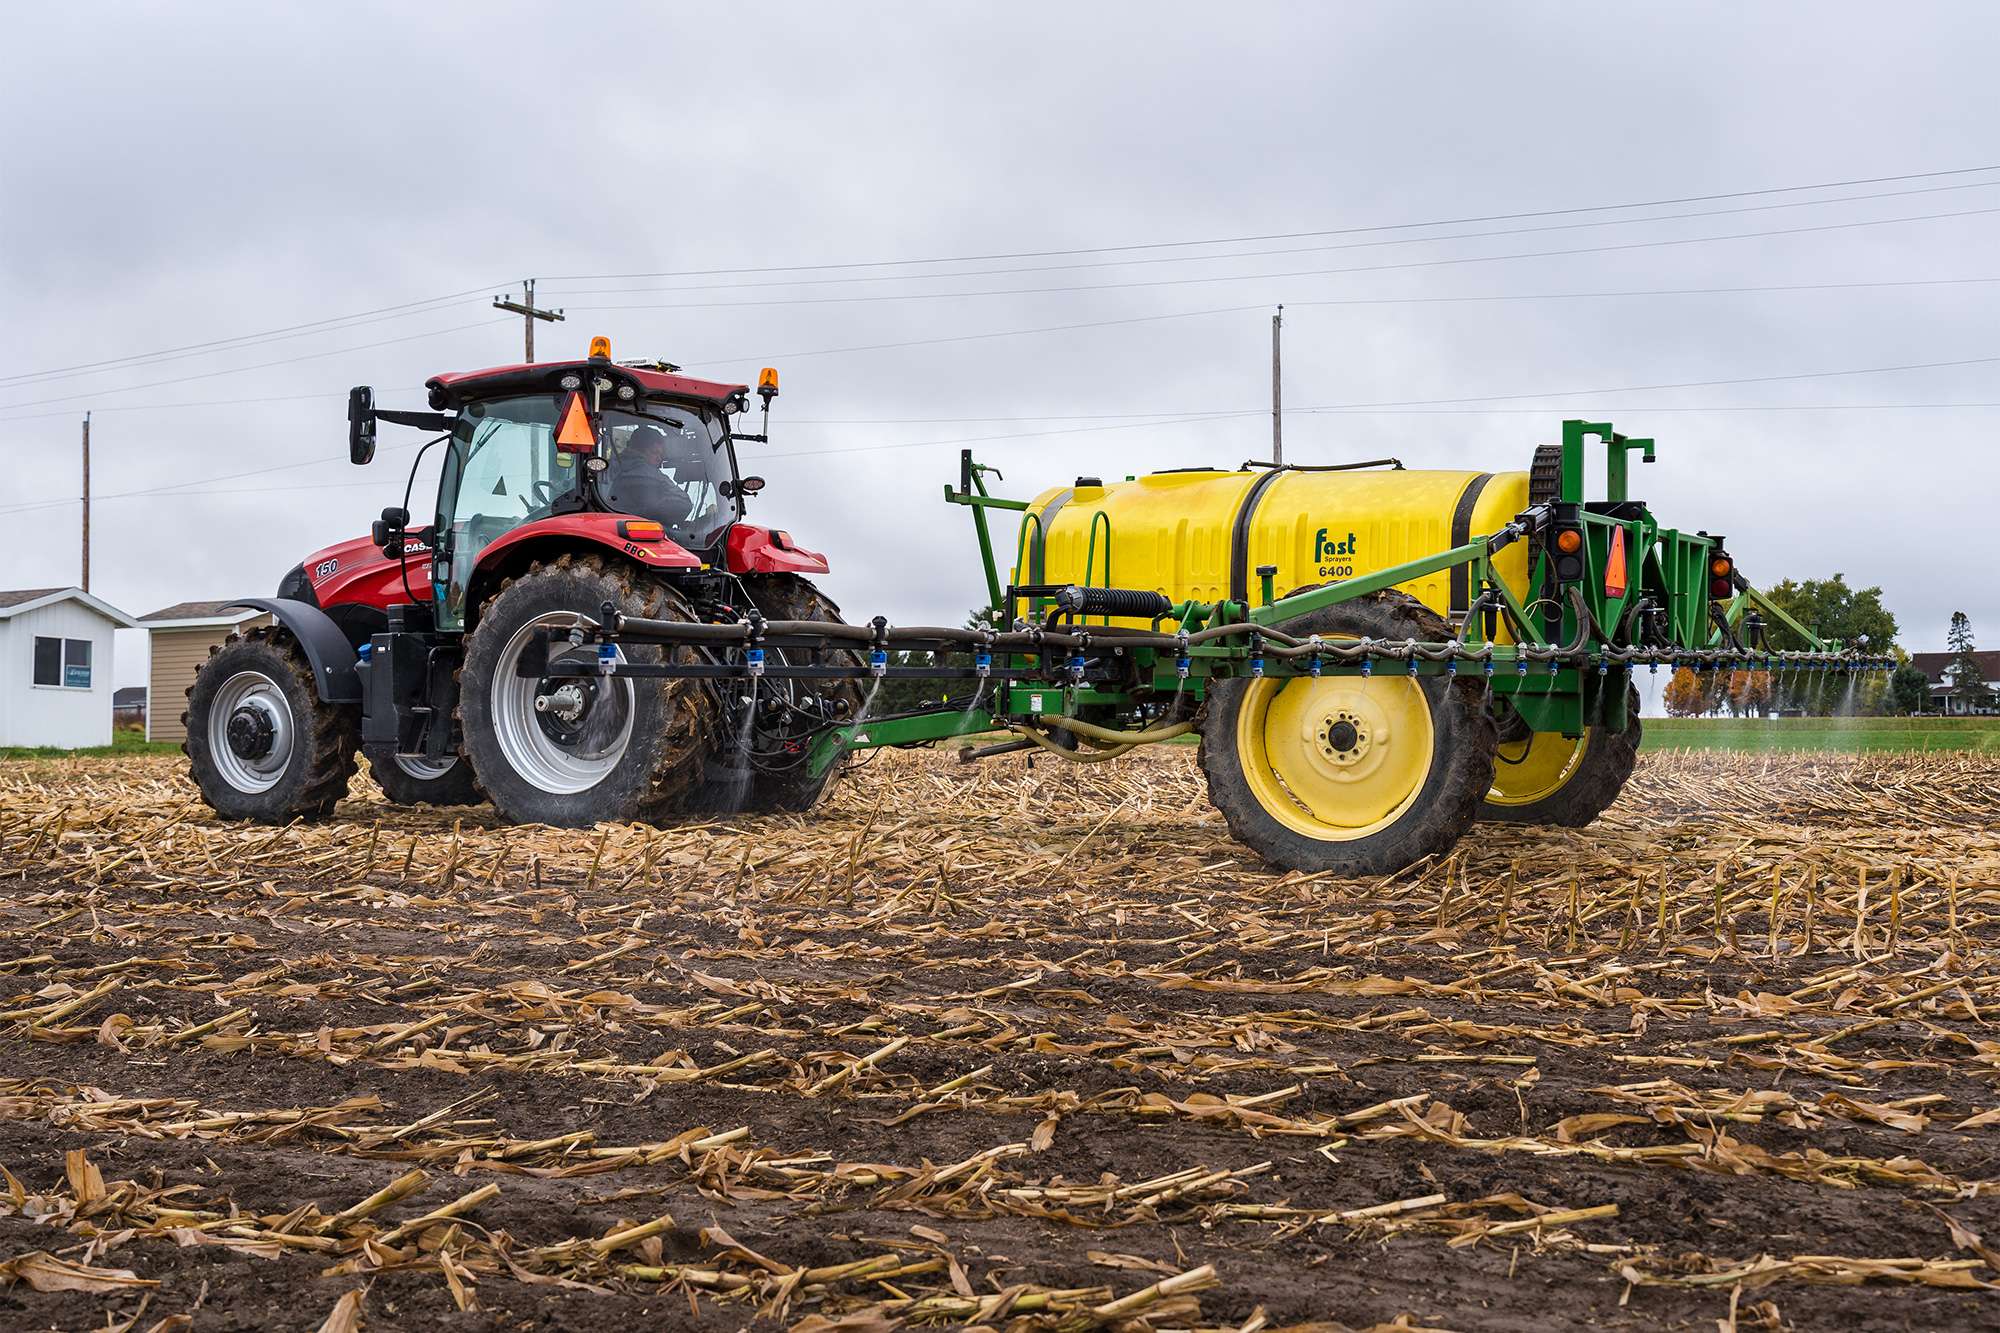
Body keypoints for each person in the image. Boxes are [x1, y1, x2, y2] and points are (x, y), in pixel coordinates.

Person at [603, 424, 694, 527]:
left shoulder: (607, 467)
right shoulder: (647, 472)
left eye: (661, 455)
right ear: (638, 450)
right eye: (655, 452)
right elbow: (684, 503)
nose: (659, 459)